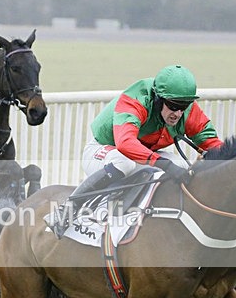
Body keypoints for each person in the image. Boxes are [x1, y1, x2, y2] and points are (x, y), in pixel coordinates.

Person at [48, 64, 224, 238]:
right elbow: (125, 143)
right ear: (157, 98)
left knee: (179, 165)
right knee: (124, 163)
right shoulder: (137, 98)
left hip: (142, 156)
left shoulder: (186, 110)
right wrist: (164, 165)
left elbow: (212, 143)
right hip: (104, 151)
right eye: (173, 106)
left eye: (183, 106)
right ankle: (67, 210)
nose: (178, 113)